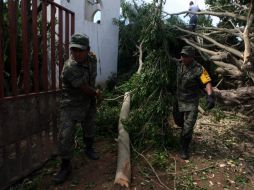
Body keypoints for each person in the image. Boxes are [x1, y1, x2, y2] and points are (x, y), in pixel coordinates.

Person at [52, 33, 101, 184]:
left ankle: (88, 148)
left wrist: (93, 97)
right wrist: (97, 94)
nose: (77, 53)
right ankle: (65, 166)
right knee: (66, 135)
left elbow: (90, 81)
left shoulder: (92, 58)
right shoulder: (70, 67)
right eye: (74, 50)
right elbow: (85, 88)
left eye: (81, 50)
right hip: (71, 104)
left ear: (88, 50)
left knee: (90, 126)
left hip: (87, 101)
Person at [172, 46, 215, 160]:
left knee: (188, 126)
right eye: (182, 55)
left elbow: (207, 82)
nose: (183, 58)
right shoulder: (179, 63)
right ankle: (184, 132)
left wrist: (210, 96)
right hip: (178, 100)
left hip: (191, 102)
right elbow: (168, 57)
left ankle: (184, 147)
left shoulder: (199, 68)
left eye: (186, 56)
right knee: (178, 121)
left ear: (191, 57)